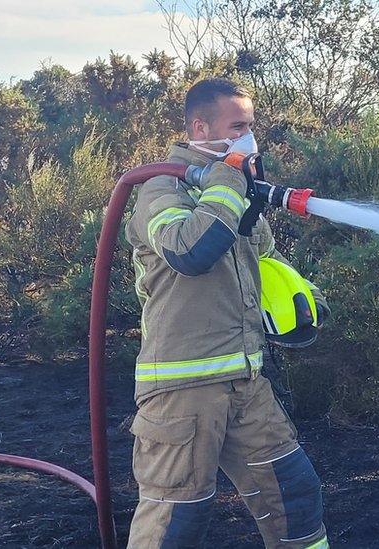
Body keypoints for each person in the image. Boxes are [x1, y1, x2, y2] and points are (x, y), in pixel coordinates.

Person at [124, 77, 330, 549]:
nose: (249, 139)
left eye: (251, 127)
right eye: (238, 127)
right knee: (176, 523)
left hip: (245, 381)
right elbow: (191, 251)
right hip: (182, 390)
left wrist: (299, 299)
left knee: (293, 497)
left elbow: (261, 263)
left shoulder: (234, 192)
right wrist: (230, 181)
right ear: (200, 128)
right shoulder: (162, 187)